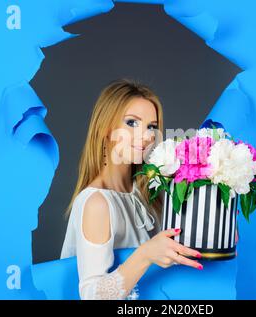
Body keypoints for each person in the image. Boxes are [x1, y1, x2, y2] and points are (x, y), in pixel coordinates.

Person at [60, 78, 203, 300]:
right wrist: (145, 255)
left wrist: (211, 230)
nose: (146, 136)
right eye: (132, 123)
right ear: (106, 129)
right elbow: (91, 295)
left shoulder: (145, 193)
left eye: (152, 127)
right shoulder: (97, 203)